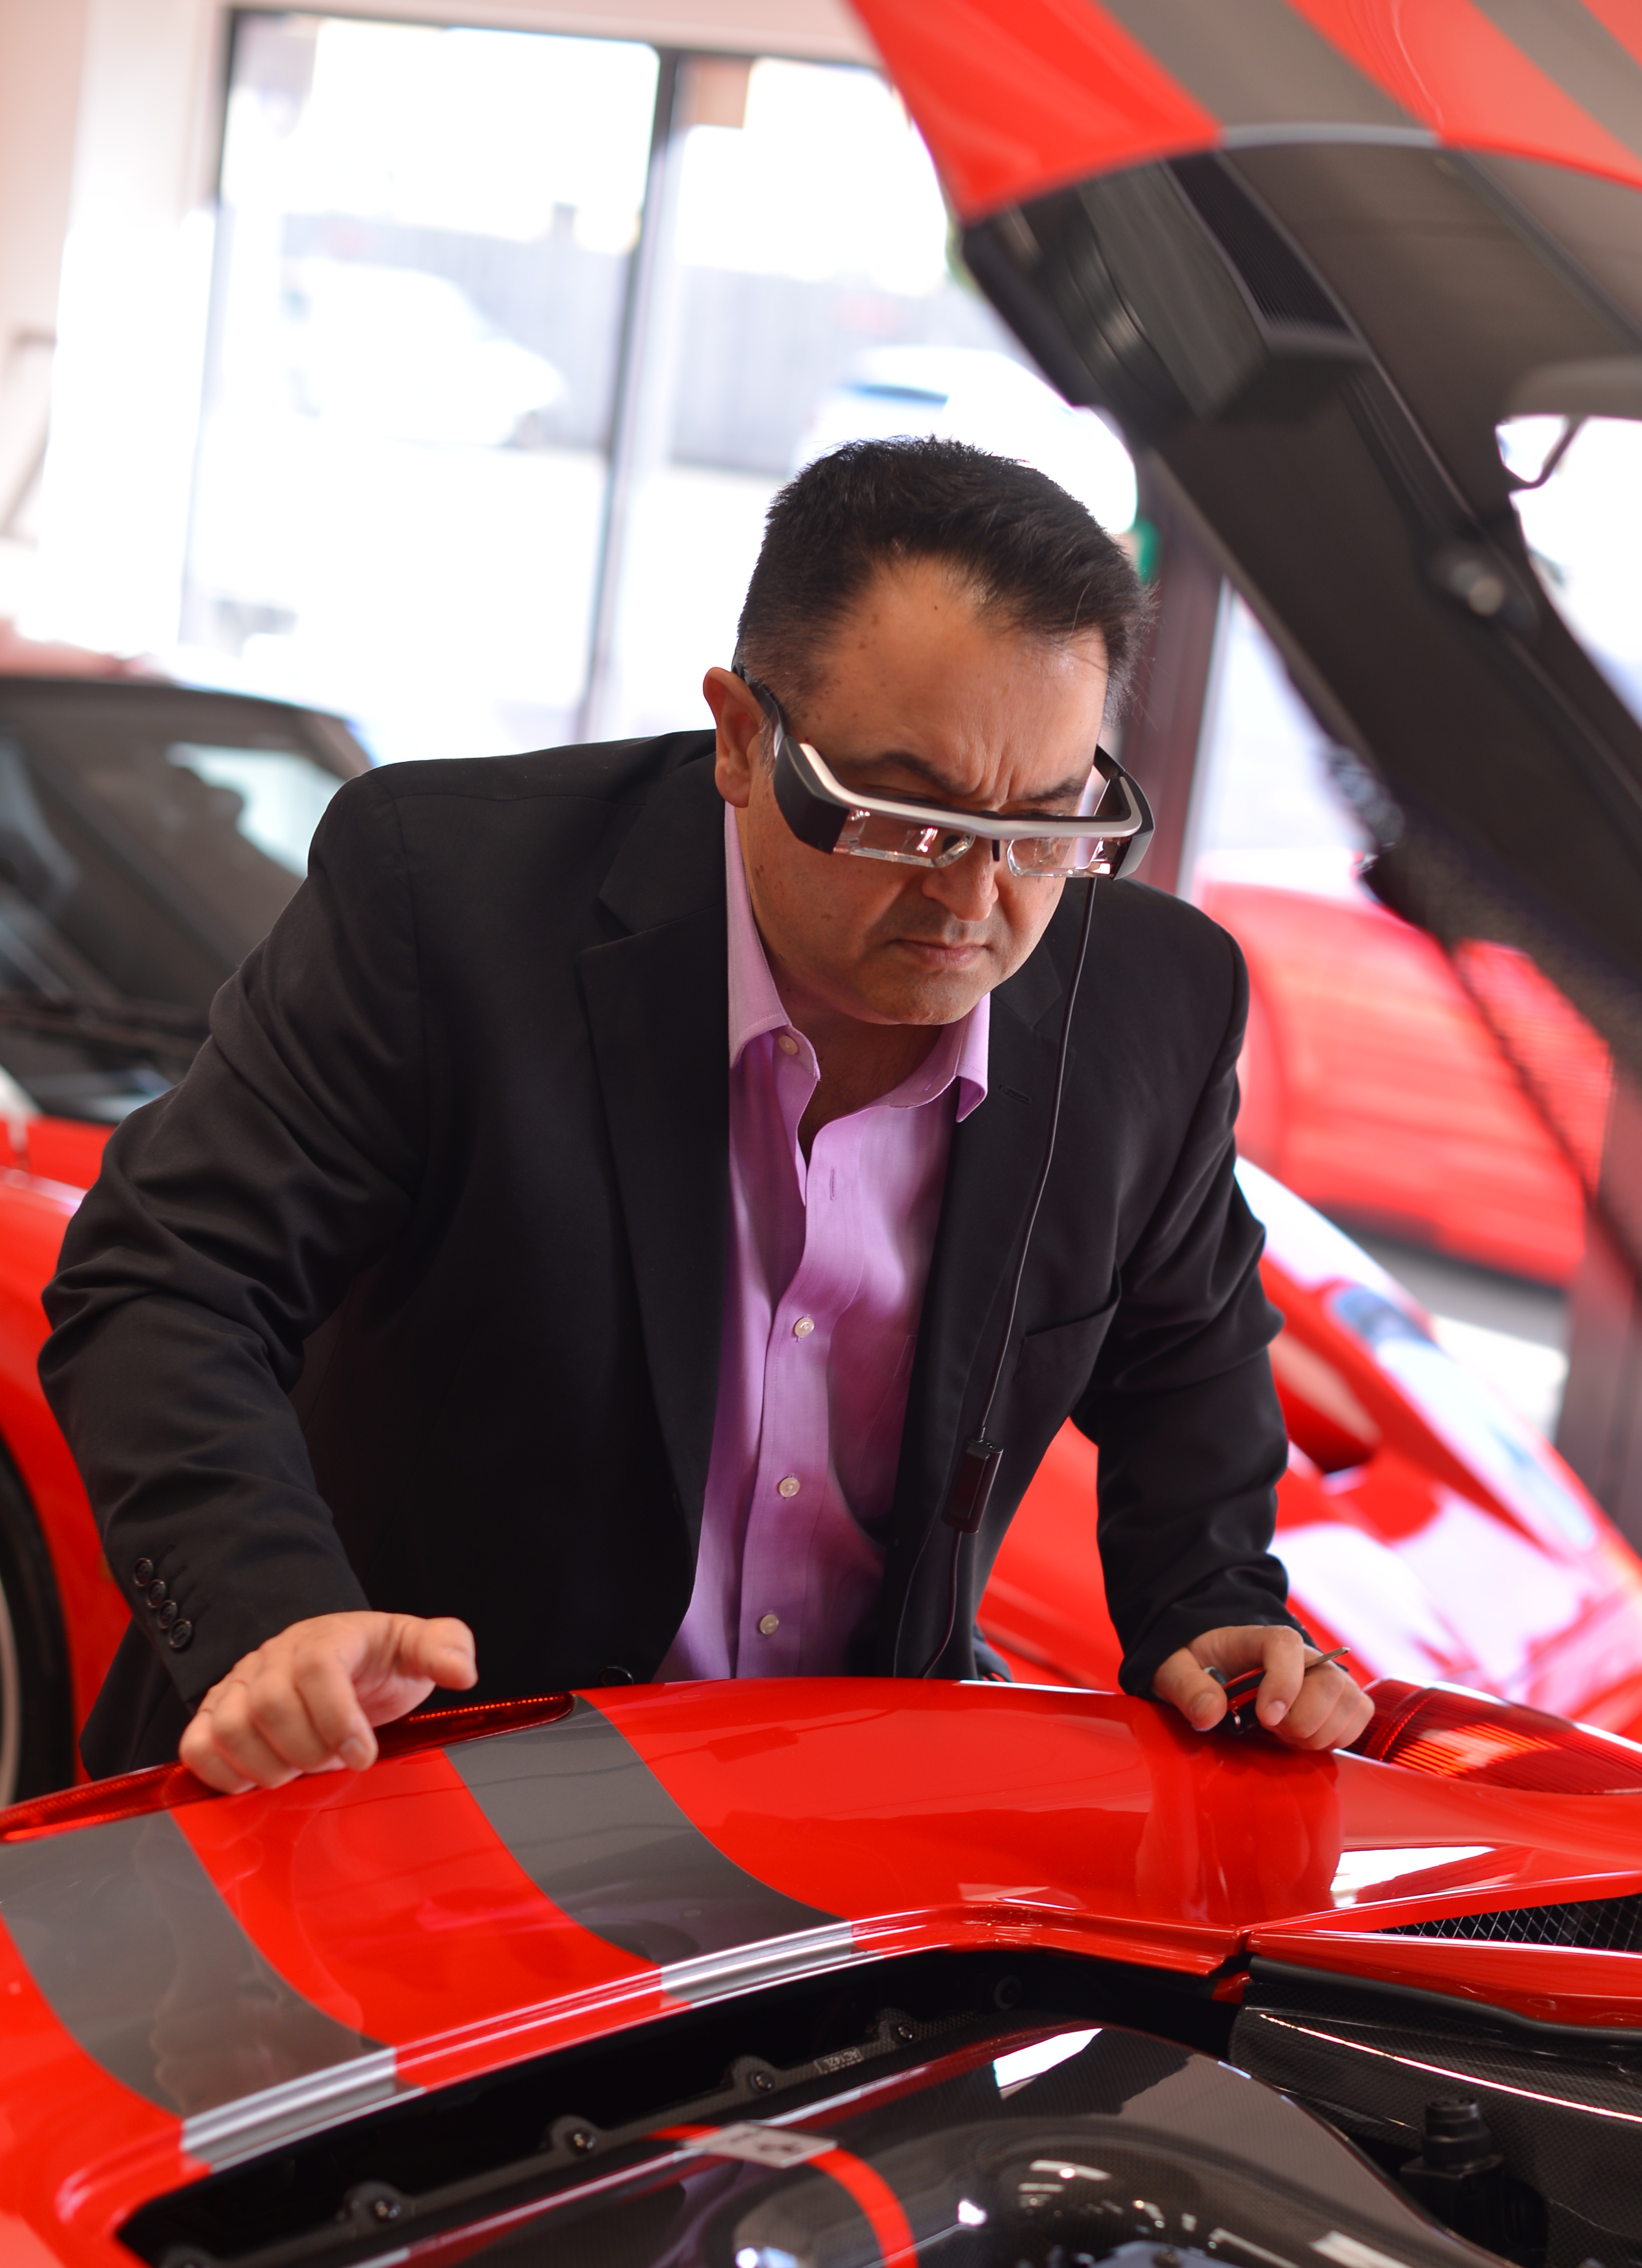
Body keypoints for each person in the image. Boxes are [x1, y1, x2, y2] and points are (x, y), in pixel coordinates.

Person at [42, 440, 1370, 1792]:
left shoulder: (1147, 1003)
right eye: (907, 817)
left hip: (827, 1825)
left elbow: (1185, 1352)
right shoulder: (445, 901)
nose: (976, 902)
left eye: (1043, 828)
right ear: (742, 739)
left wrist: (1210, 1601)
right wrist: (273, 1616)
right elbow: (168, 1276)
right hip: (394, 1778)